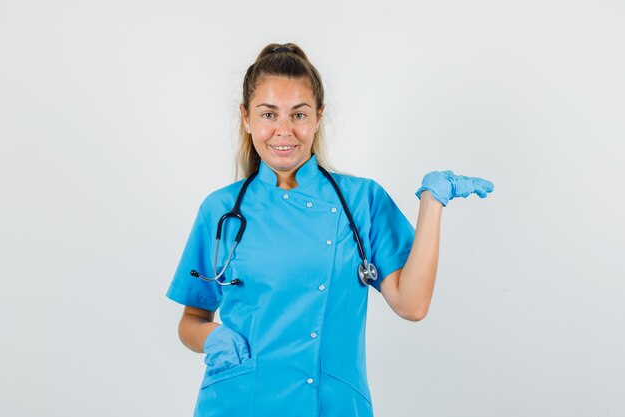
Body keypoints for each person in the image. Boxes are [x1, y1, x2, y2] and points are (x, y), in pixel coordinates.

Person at [166, 42, 494, 417]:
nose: (284, 131)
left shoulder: (360, 201)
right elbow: (191, 321)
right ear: (246, 117)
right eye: (268, 114)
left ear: (319, 116)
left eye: (299, 115)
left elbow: (412, 304)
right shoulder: (221, 211)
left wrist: (432, 202)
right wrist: (213, 338)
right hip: (238, 402)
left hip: (330, 405)